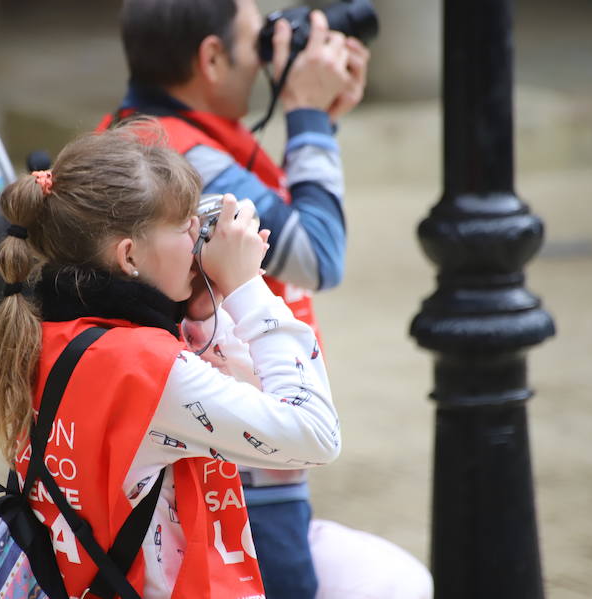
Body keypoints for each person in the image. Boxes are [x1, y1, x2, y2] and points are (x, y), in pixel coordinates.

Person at [99, 2, 432, 598]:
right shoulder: (173, 159)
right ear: (210, 57)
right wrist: (304, 115)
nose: (271, 58)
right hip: (237, 452)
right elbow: (315, 253)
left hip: (235, 433)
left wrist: (318, 120)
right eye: (258, 44)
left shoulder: (145, 140)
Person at [0, 124, 341, 599]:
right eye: (183, 226)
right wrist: (247, 289)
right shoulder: (149, 369)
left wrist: (199, 312)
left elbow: (240, 393)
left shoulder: (48, 329)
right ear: (129, 256)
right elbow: (315, 433)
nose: (199, 236)